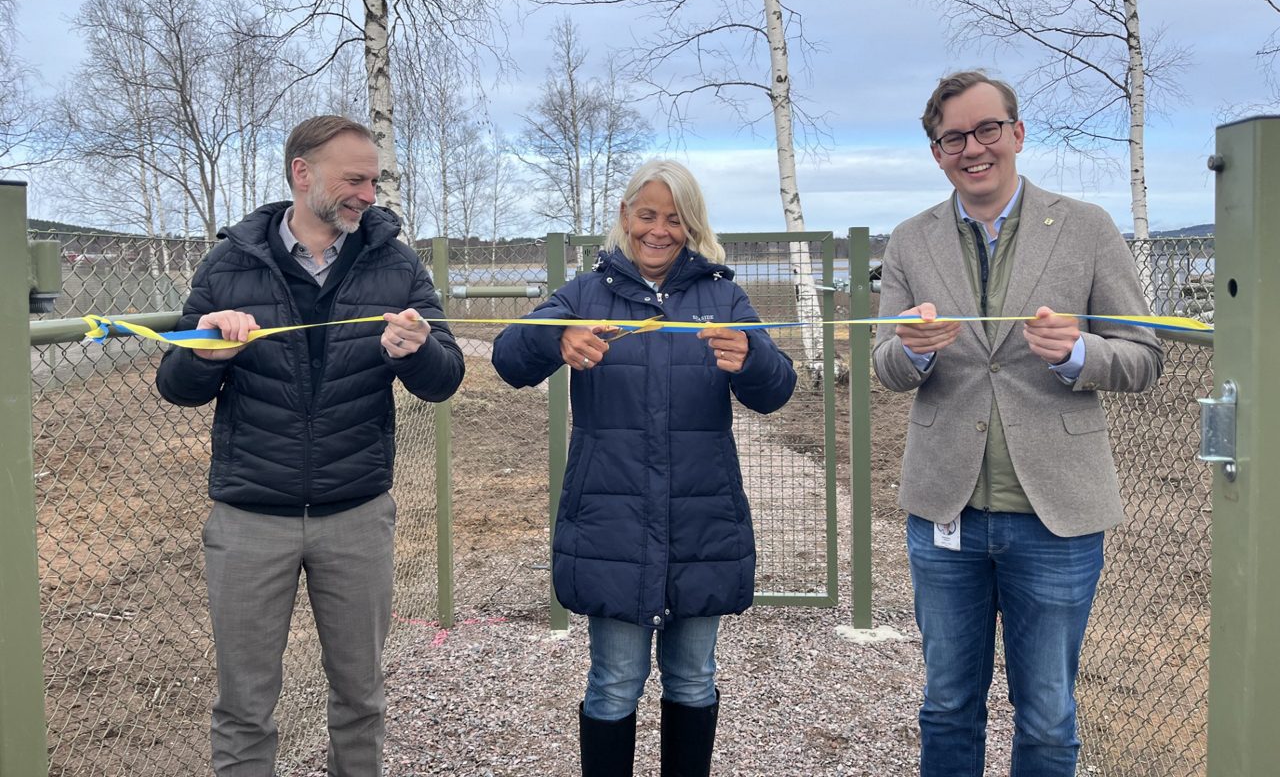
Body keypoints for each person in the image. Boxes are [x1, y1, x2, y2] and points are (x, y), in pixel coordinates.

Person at [872, 71, 1164, 776]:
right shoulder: (909, 241)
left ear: (1018, 134)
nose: (973, 148)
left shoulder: (1088, 228)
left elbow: (1144, 357)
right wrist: (913, 352)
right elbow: (886, 365)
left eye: (987, 129)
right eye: (954, 138)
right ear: (937, 153)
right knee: (947, 706)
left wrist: (1078, 353)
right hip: (945, 512)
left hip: (1057, 517)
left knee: (1048, 717)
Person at [156, 115, 464, 777]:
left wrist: (415, 352)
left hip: (356, 516)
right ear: (303, 173)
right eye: (355, 180)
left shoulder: (395, 264)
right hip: (249, 520)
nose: (369, 196)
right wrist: (206, 352)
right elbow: (176, 386)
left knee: (360, 699)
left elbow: (445, 378)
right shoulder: (230, 263)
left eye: (374, 181)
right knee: (244, 707)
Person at [492, 159, 797, 777]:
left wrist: (753, 358)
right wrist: (555, 335)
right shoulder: (585, 293)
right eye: (648, 215)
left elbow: (777, 390)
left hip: (702, 518)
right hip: (612, 521)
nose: (659, 230)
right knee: (613, 681)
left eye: (675, 219)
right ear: (625, 215)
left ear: (693, 224)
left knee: (693, 679)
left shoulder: (723, 297)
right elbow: (507, 359)